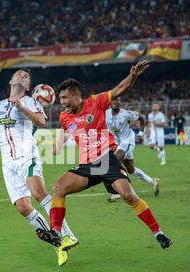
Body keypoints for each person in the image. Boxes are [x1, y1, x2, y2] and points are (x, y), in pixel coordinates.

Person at [36, 60, 173, 254]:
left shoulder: (96, 101)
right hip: (87, 165)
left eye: (66, 98)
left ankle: (158, 233)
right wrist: (58, 145)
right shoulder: (65, 116)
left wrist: (133, 75)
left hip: (106, 159)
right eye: (60, 99)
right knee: (58, 188)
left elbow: (119, 89)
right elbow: (66, 130)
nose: (63, 102)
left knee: (128, 195)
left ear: (77, 96)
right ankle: (56, 233)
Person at [0, 69, 78, 266]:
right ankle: (57, 245)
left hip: (27, 155)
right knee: (23, 207)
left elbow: (42, 121)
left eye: (26, 76)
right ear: (11, 80)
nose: (22, 76)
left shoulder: (30, 102)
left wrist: (21, 107)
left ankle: (68, 235)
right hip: (8, 163)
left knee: (39, 193)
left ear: (28, 87)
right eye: (19, 74)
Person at [105, 97, 160, 202]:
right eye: (113, 100)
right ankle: (153, 182)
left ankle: (116, 192)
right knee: (131, 169)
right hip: (115, 143)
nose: (115, 102)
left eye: (118, 100)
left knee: (114, 161)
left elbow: (142, 118)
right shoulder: (105, 113)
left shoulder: (126, 114)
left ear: (121, 103)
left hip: (127, 142)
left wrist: (140, 133)